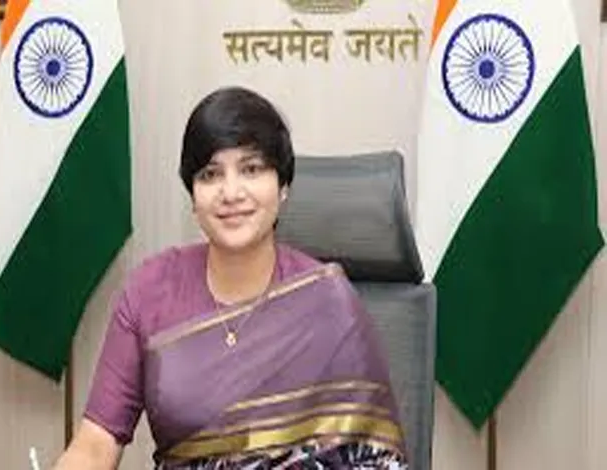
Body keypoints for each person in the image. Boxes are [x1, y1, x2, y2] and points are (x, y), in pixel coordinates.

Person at [53, 87, 408, 469]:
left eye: (251, 169)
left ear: (283, 187)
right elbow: (96, 442)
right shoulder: (150, 290)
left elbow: (375, 460)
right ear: (193, 196)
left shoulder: (328, 301)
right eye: (210, 174)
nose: (231, 192)